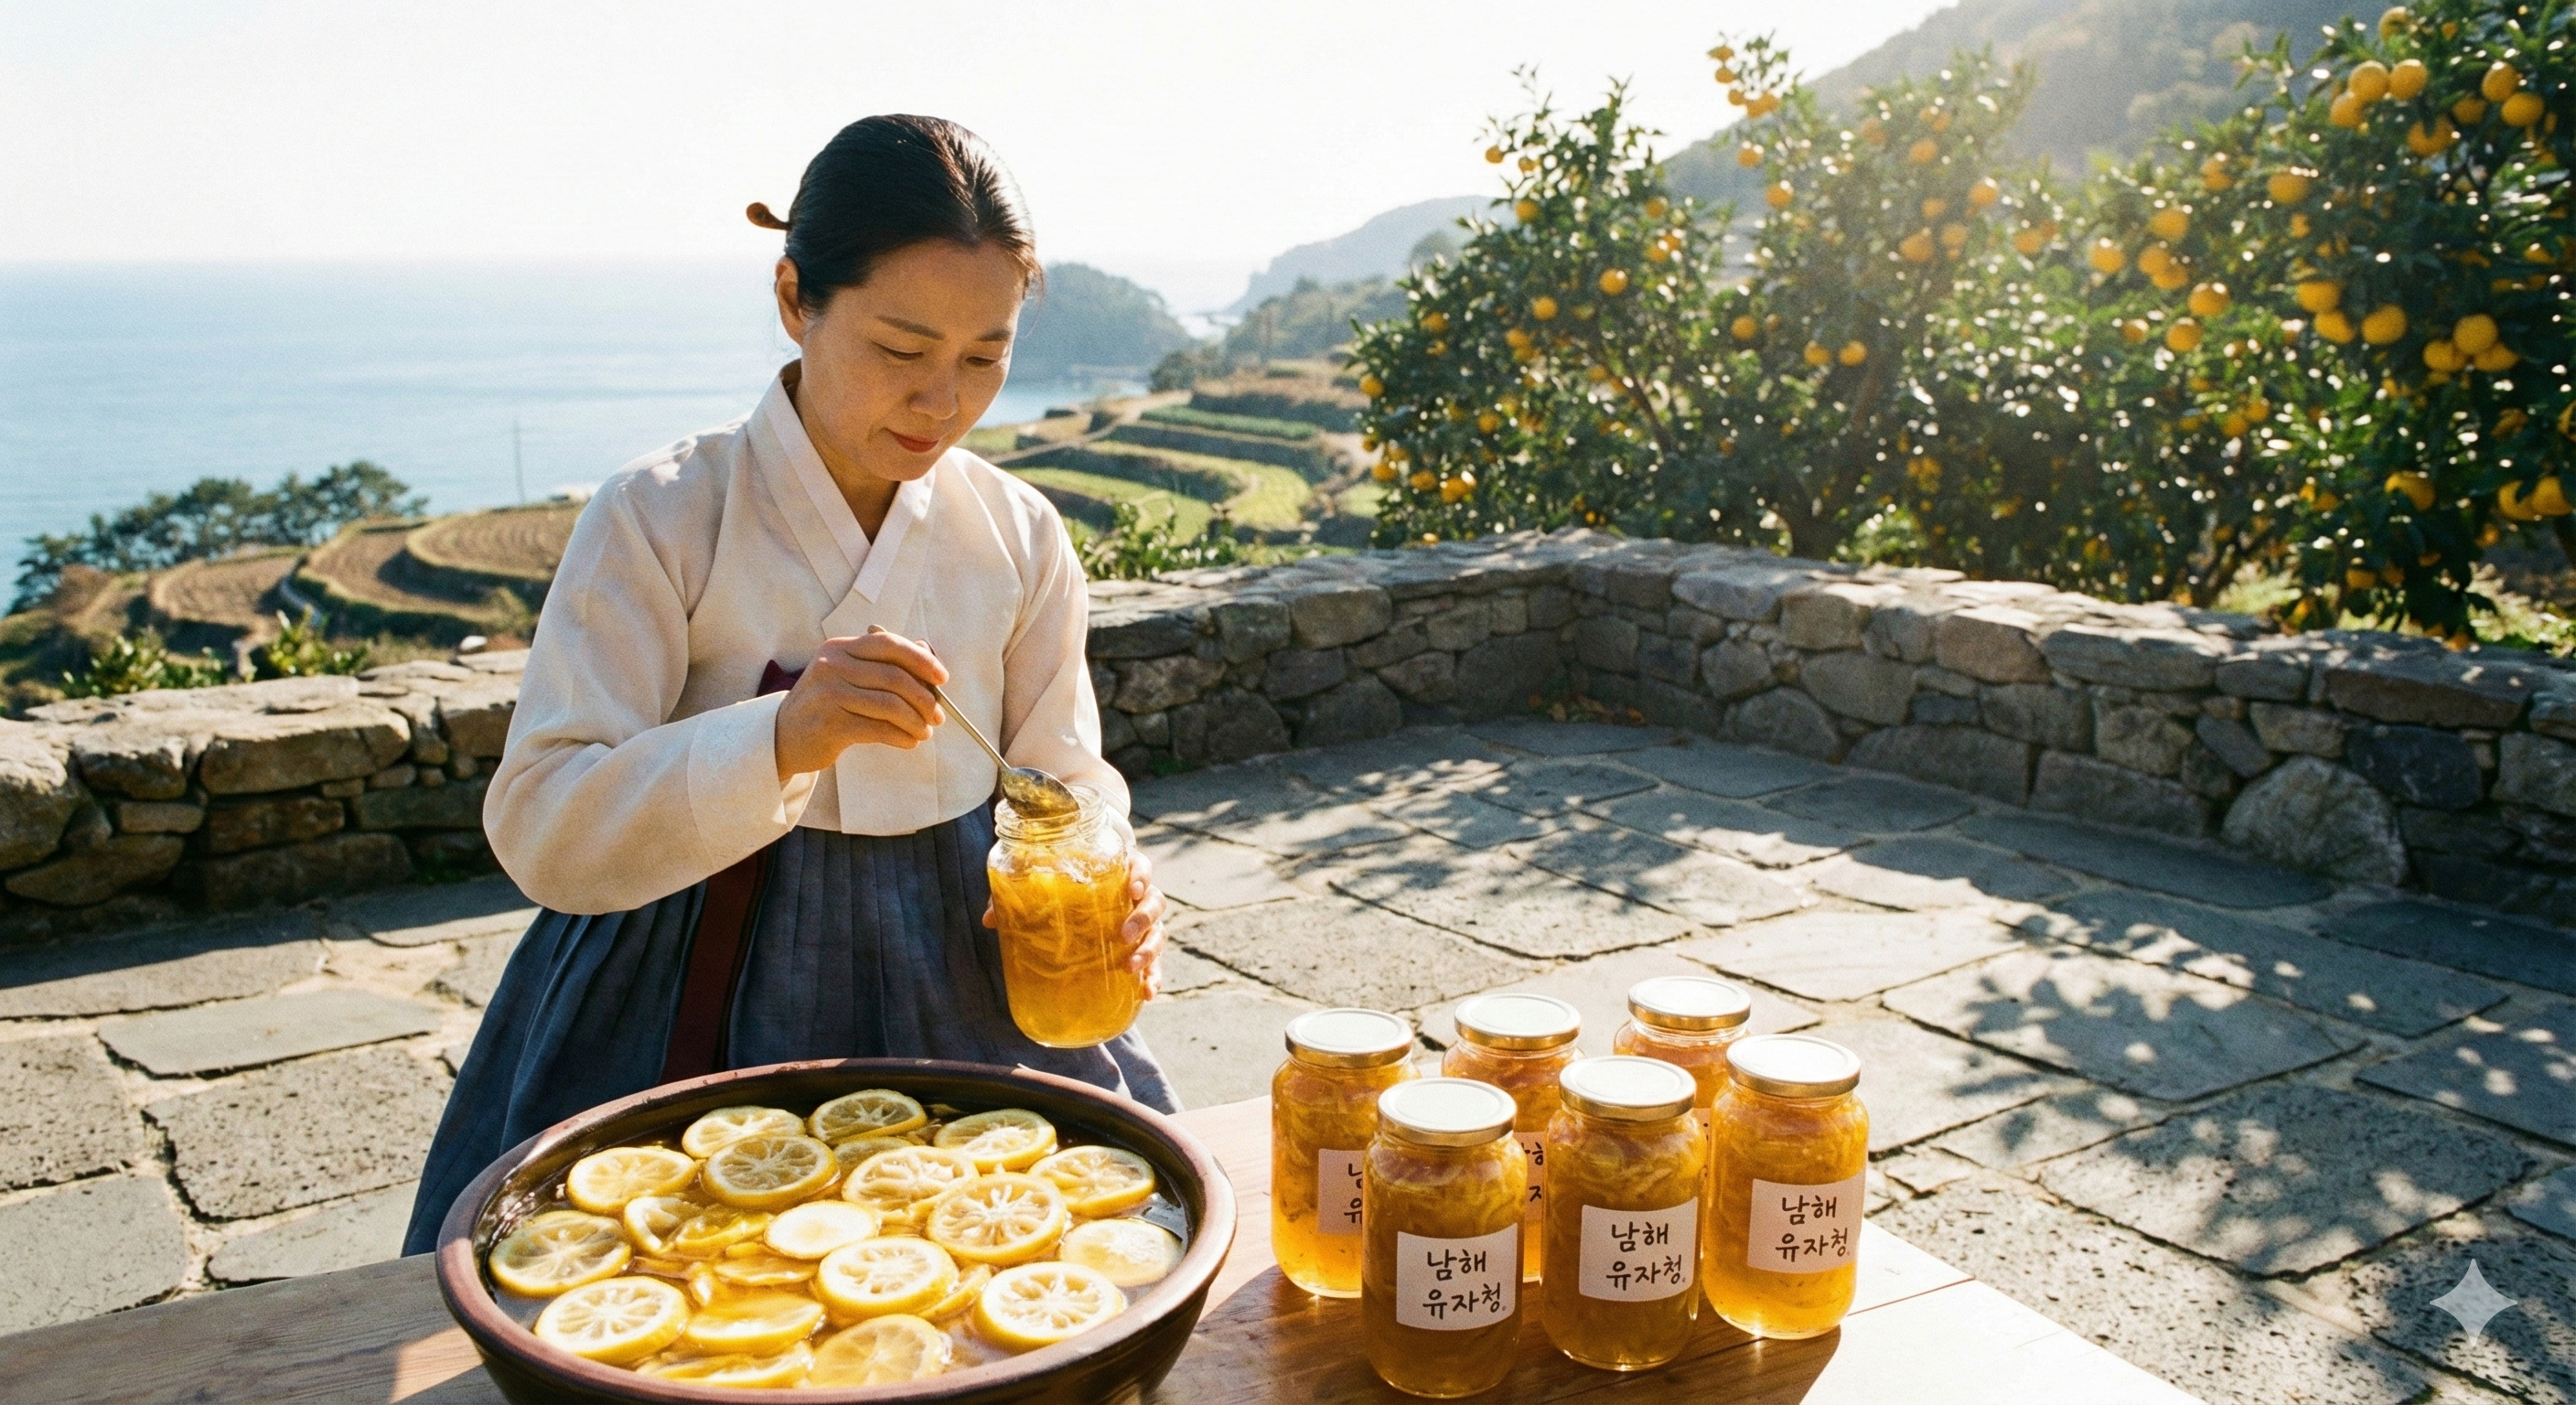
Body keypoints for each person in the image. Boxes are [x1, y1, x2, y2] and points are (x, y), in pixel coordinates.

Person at [402, 114, 1173, 1256]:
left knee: (1008, 1265)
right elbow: (541, 821)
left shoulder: (1016, 531)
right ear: (792, 298)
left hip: (965, 953)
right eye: (900, 349)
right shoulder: (661, 513)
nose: (941, 401)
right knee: (686, 1275)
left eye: (984, 355)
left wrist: (1113, 874)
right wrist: (777, 737)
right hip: (690, 955)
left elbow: (1061, 774)